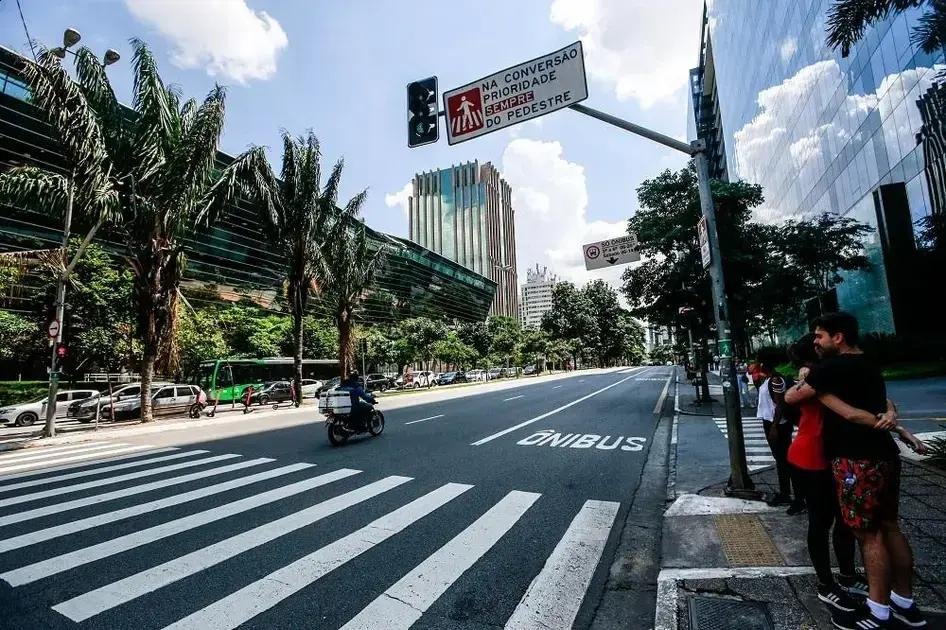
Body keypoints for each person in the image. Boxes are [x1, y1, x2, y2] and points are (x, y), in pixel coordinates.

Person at [785, 312, 928, 629]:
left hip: (855, 460)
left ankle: (877, 612)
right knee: (890, 527)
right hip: (885, 456)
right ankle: (904, 602)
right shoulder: (869, 362)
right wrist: (893, 419)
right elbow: (881, 401)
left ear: (838, 337)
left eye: (820, 335)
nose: (816, 341)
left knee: (869, 535)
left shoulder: (831, 369)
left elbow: (792, 396)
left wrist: (813, 384)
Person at [756, 357, 801, 510]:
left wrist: (774, 426)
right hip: (771, 422)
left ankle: (791, 495)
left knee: (784, 460)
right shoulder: (767, 380)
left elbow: (780, 404)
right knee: (781, 460)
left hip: (778, 424)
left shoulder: (775, 380)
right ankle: (786, 493)